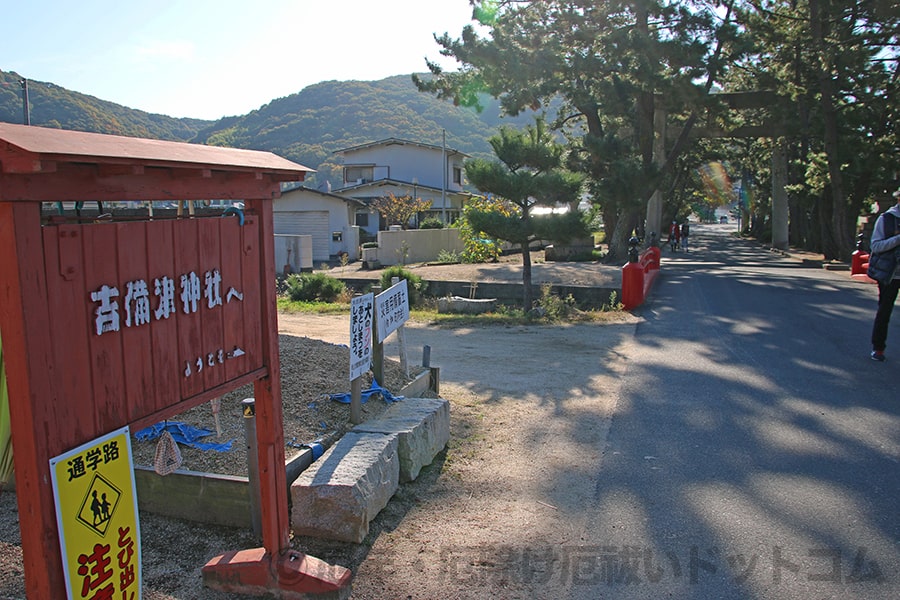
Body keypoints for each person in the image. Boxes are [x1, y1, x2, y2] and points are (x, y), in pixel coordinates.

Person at [867, 189, 900, 361]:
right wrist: (897, 239)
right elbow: (876, 246)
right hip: (890, 273)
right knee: (885, 310)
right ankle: (878, 348)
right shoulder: (887, 219)